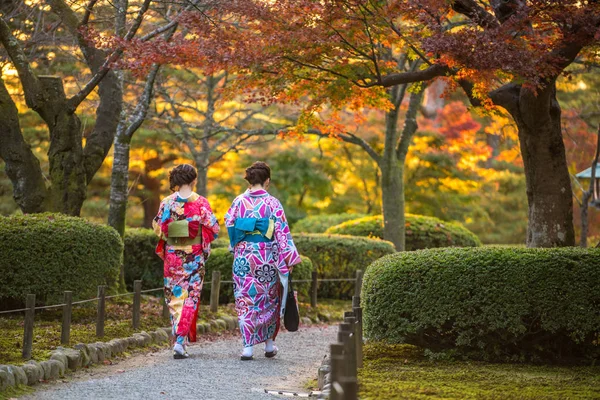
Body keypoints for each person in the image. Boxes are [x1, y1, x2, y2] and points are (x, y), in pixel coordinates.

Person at [225, 161, 301, 360]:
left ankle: (247, 348)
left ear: (249, 180)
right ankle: (268, 345)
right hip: (266, 257)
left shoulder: (238, 201)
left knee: (245, 300)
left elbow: (230, 224)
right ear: (267, 181)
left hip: (243, 258)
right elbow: (282, 231)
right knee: (268, 299)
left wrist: (236, 245)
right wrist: (288, 259)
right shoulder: (272, 203)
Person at [153, 164, 220, 359]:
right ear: (193, 180)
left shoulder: (167, 202)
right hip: (194, 256)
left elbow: (159, 227)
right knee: (191, 296)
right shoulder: (201, 202)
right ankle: (180, 341)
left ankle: (178, 339)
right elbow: (214, 228)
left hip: (173, 255)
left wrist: (175, 235)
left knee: (175, 296)